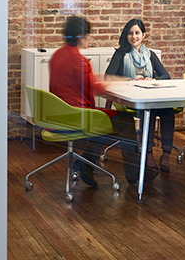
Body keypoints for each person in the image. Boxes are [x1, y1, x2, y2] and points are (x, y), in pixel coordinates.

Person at [49, 15, 154, 186]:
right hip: (76, 115)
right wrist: (123, 81)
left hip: (60, 113)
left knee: (104, 119)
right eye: (88, 35)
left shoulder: (58, 55)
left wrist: (103, 78)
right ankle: (135, 173)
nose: (88, 39)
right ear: (81, 37)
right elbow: (97, 88)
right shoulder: (78, 60)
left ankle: (85, 164)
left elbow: (81, 81)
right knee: (125, 121)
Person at [104, 18, 176, 173]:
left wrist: (153, 80)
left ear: (144, 35)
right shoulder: (120, 54)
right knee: (149, 110)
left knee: (168, 110)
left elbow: (166, 76)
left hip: (149, 94)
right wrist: (130, 80)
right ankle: (148, 153)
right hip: (129, 99)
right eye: (130, 33)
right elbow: (108, 77)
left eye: (137, 33)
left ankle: (166, 153)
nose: (134, 36)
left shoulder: (150, 54)